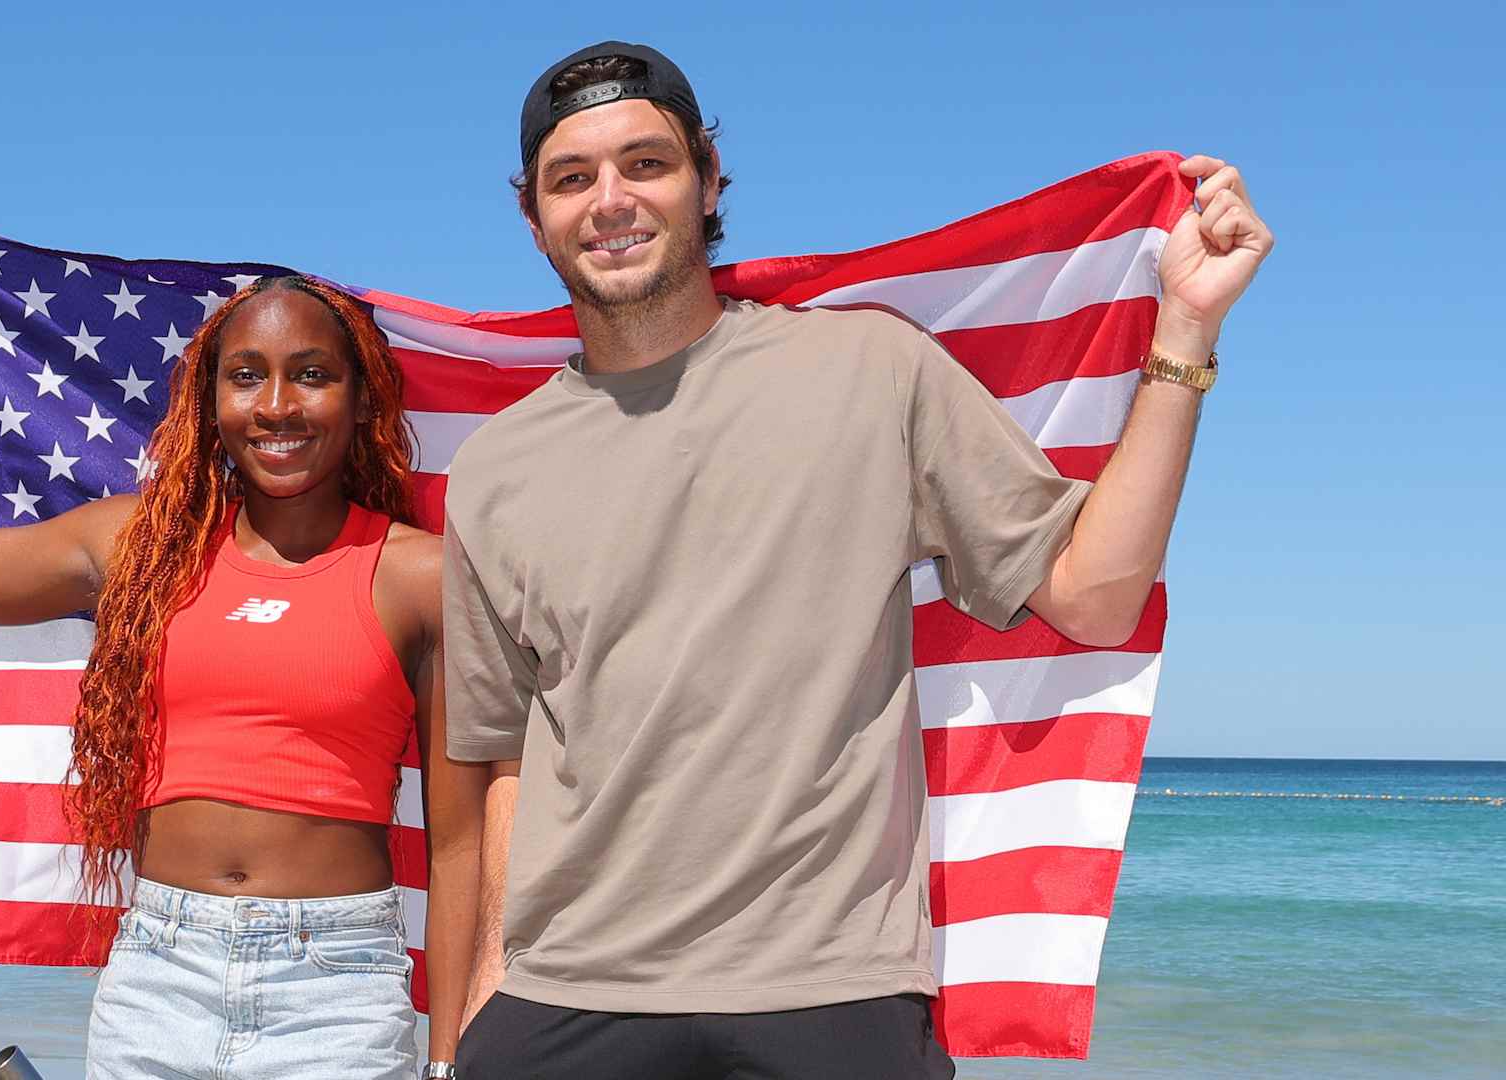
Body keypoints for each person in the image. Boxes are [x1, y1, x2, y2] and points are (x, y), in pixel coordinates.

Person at [443, 41, 1273, 1079]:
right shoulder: (494, 470)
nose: (610, 199)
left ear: (706, 180)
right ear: (535, 218)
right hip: (567, 993)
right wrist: (484, 999)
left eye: (645, 164)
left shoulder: (869, 370)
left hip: (831, 991)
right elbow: (513, 754)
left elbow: (1094, 597)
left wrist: (1186, 331)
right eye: (573, 179)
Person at [0, 210, 485, 1079]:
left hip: (336, 991)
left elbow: (457, 847)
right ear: (208, 401)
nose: (277, 406)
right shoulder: (138, 546)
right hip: (158, 976)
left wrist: (449, 1060)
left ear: (360, 396)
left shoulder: (420, 575)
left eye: (311, 375)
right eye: (246, 377)